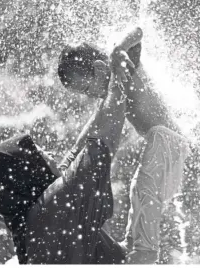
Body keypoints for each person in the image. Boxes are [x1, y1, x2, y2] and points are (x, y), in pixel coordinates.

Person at [0, 44, 133, 264]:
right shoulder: (55, 203)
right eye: (40, 152)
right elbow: (103, 143)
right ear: (29, 170)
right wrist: (118, 81)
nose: (49, 152)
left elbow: (75, 153)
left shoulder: (31, 224)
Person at [57, 26, 189, 264]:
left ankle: (143, 255)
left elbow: (138, 30)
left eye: (87, 88)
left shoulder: (122, 67)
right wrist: (68, 160)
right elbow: (93, 124)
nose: (89, 95)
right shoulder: (112, 89)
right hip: (162, 142)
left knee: (144, 190)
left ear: (99, 69)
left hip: (166, 138)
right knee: (138, 191)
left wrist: (119, 50)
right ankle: (134, 245)